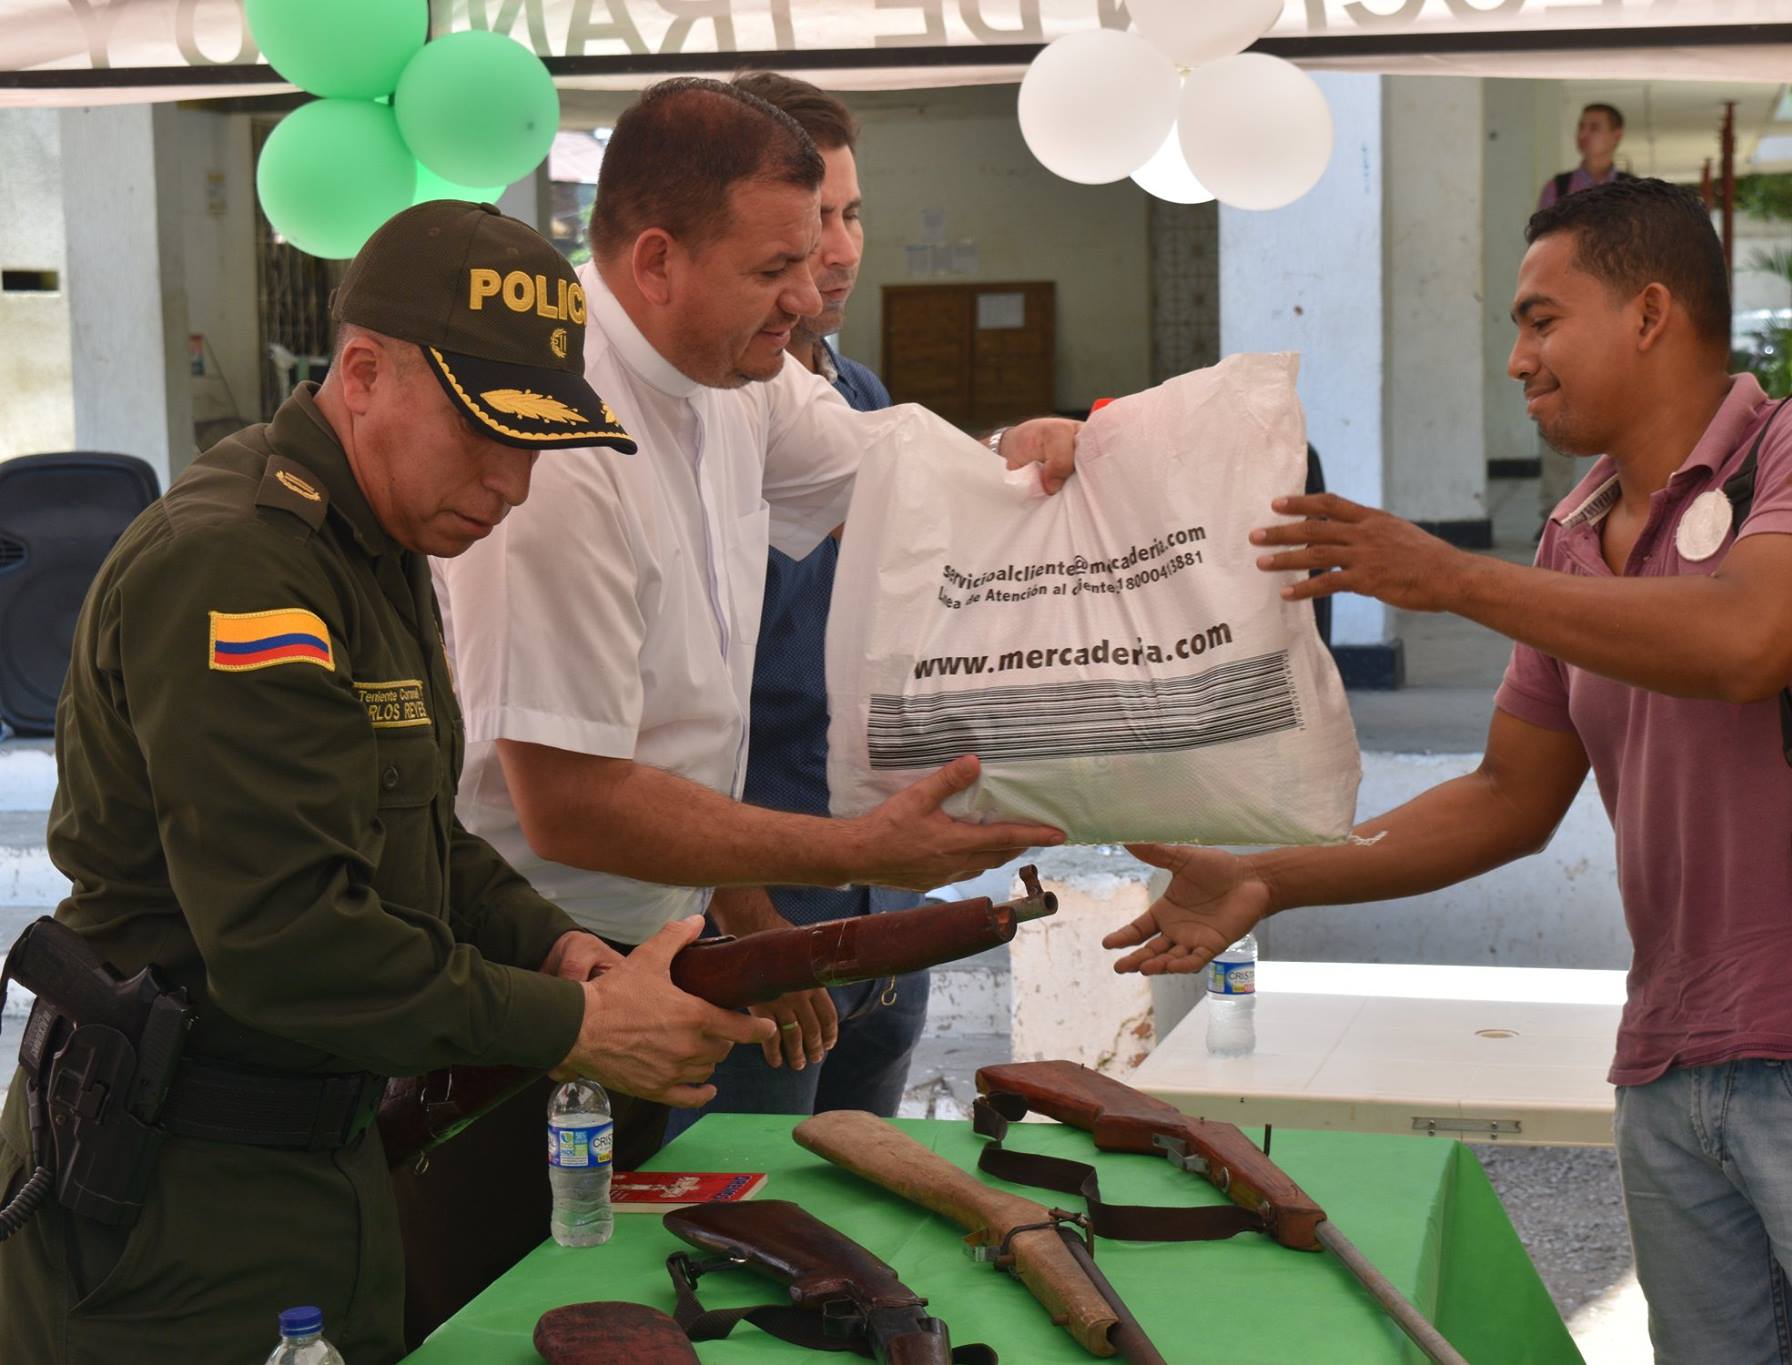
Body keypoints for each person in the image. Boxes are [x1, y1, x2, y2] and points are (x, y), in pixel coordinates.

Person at [1105, 178, 1792, 1362]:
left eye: (1541, 320)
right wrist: (1269, 879)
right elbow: (1504, 799)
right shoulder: (1573, 534)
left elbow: (1746, 640)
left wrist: (1450, 579)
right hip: (1672, 1071)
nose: (1518, 361)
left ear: (1646, 313)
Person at [0, 201, 774, 1365]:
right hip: (175, 1200)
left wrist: (557, 948)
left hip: (312, 1155)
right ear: (362, 374)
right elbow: (290, 934)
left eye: (535, 446)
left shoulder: (374, 539)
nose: (514, 485)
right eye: (485, 436)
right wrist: (578, 1026)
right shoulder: (238, 569)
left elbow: (420, 827)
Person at [434, 80, 1075, 1118]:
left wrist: (1024, 458)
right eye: (775, 266)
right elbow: (569, 800)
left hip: (674, 922)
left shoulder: (738, 372)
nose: (808, 292)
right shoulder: (557, 436)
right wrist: (852, 855)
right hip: (546, 962)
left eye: (828, 232)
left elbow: (890, 486)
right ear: (655, 261)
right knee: (572, 1258)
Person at [664, 71, 927, 1131]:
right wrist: (755, 931)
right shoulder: (689, 415)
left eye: (851, 213)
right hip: (757, 934)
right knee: (739, 1228)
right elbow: (670, 731)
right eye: (812, 220)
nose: (840, 248)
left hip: (885, 922)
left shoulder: (858, 399)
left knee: (869, 1221)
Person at [1537, 102, 1628, 209]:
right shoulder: (1557, 187)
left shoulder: (1632, 190)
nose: (1583, 134)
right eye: (1581, 127)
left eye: (1594, 128)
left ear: (1616, 137)